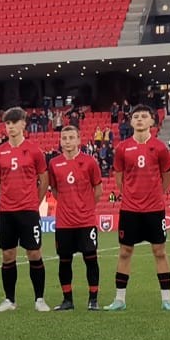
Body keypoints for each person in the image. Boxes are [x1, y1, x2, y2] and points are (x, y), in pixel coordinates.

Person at [107, 104, 170, 311]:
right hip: (130, 209)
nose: (139, 119)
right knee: (125, 251)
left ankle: (166, 299)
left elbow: (166, 178)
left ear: (152, 122)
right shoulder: (123, 148)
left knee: (159, 251)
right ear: (130, 121)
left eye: (144, 116)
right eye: (136, 116)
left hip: (154, 209)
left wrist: (154, 195)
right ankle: (119, 299)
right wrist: (132, 195)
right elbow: (119, 179)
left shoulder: (160, 148)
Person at [0, 107, 49, 311]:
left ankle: (39, 299)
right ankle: (9, 300)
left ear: (24, 124)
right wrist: (8, 196)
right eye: (8, 124)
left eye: (14, 123)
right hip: (7, 212)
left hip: (29, 211)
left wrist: (34, 202)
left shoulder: (34, 150)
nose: (11, 127)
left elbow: (44, 179)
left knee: (34, 253)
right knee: (8, 255)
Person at [47, 124, 104, 310]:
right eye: (64, 138)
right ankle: (67, 300)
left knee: (91, 259)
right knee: (64, 261)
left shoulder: (90, 162)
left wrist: (85, 207)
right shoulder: (54, 164)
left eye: (71, 138)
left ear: (79, 140)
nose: (68, 141)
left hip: (86, 221)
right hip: (64, 223)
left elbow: (98, 190)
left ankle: (93, 299)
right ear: (60, 141)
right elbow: (54, 190)